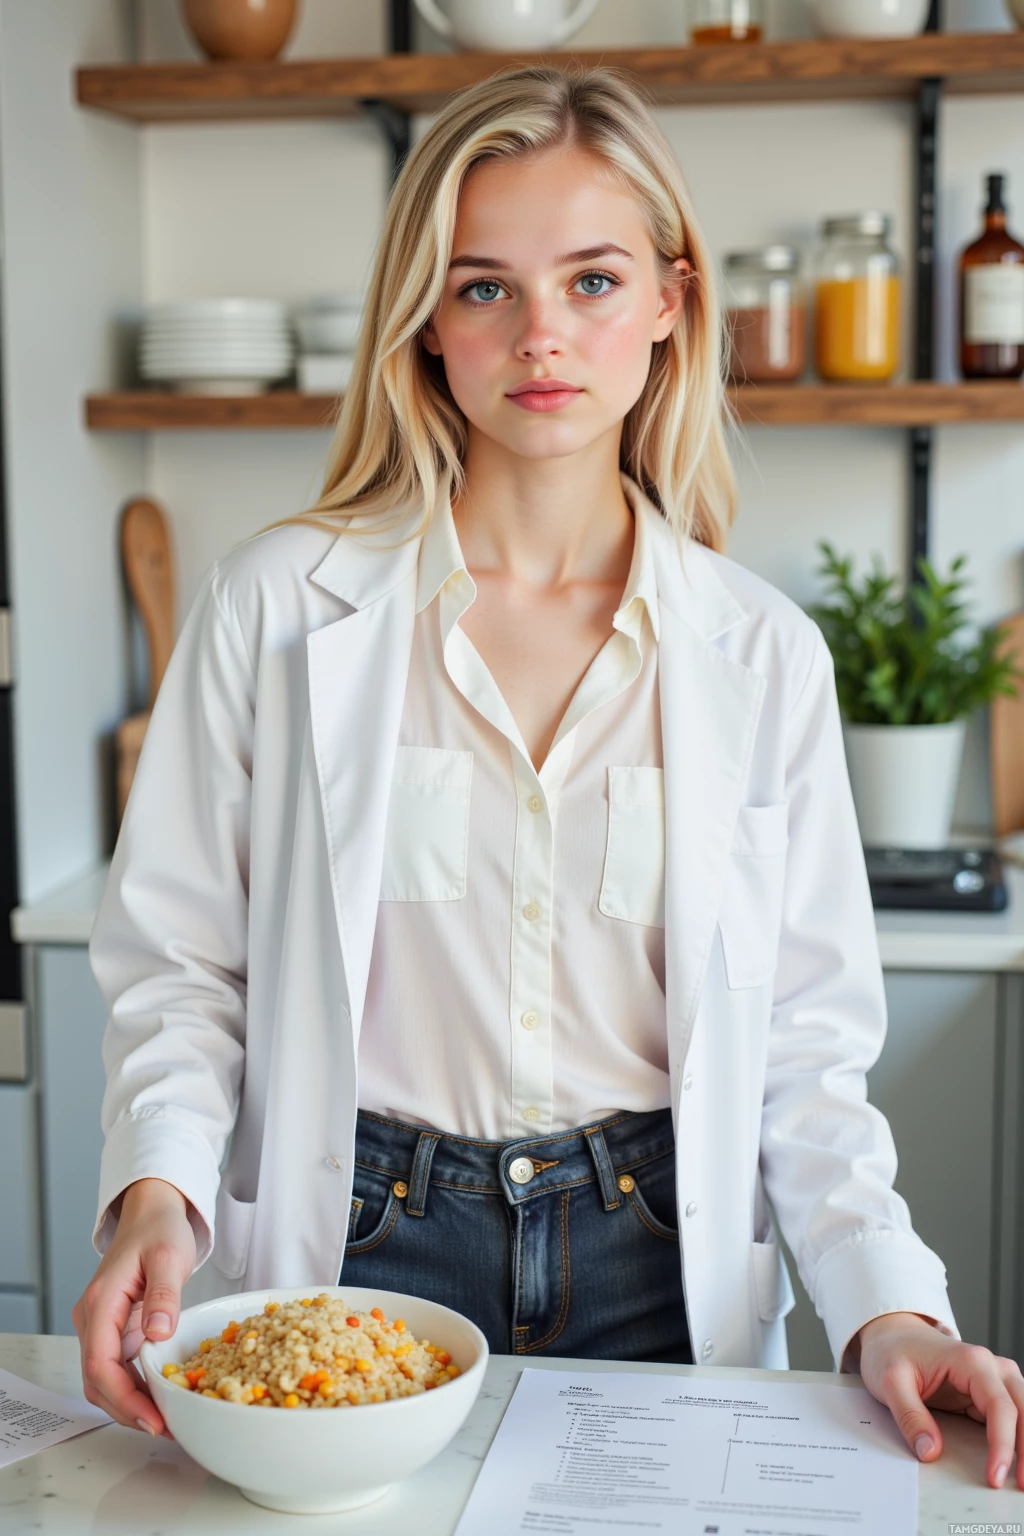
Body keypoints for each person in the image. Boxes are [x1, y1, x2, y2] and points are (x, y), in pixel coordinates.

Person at [74, 64, 1022, 1489]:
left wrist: (891, 1300)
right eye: (484, 288)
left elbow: (806, 1056)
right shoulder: (275, 609)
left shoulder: (760, 653)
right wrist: (156, 1198)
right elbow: (180, 970)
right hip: (355, 1251)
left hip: (659, 1258)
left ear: (669, 301)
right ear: (425, 322)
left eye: (591, 279)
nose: (541, 336)